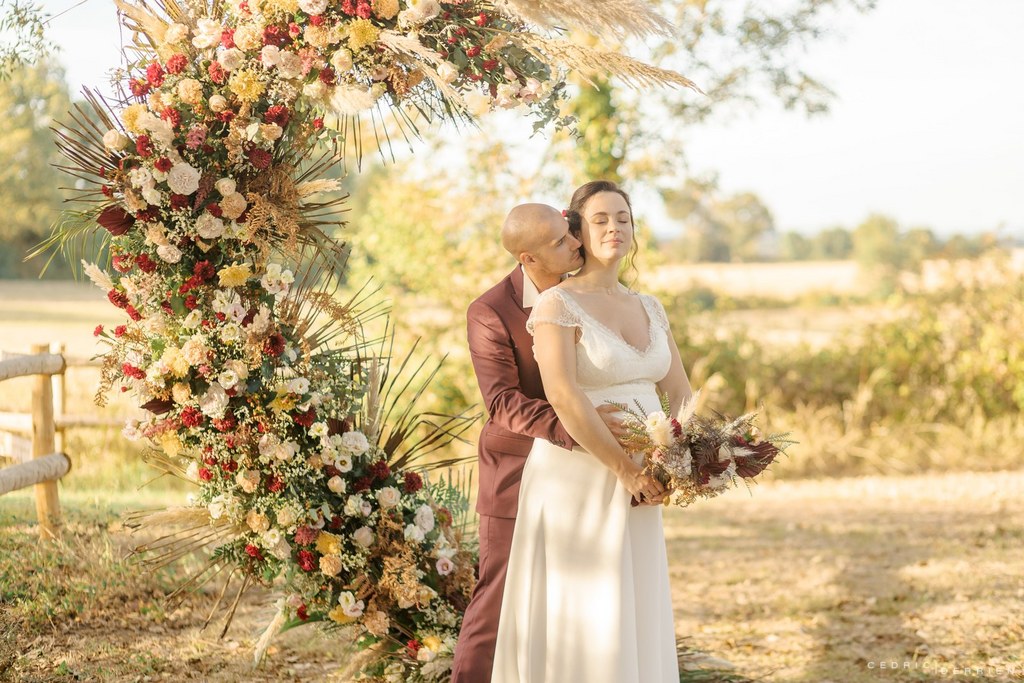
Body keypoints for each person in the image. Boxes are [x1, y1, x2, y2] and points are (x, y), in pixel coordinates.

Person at [491, 181, 691, 682]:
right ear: (577, 229)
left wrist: (682, 461)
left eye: (623, 217)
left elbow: (684, 396)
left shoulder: (650, 307)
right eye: (600, 218)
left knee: (633, 599)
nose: (614, 227)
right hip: (579, 476)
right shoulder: (557, 304)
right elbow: (563, 395)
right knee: (582, 609)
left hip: (647, 479)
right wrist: (624, 469)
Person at [452, 203, 627, 683]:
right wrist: (584, 426)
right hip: (519, 473)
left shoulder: (594, 291)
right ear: (527, 258)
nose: (574, 242)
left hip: (591, 477)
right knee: (498, 602)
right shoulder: (490, 312)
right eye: (558, 242)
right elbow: (504, 402)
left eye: (570, 232)